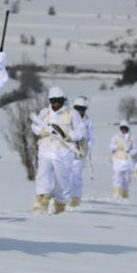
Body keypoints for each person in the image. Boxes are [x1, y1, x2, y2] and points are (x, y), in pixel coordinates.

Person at [30, 86, 85, 214]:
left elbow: (80, 130)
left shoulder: (72, 113)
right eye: (53, 100)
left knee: (62, 180)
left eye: (58, 100)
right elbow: (35, 126)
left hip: (63, 151)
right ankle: (41, 200)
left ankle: (60, 204)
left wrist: (70, 135)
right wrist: (41, 130)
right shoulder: (45, 113)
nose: (56, 103)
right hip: (46, 148)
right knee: (43, 174)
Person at [69, 96, 94, 207]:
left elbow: (91, 139)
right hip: (68, 153)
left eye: (82, 108)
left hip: (80, 154)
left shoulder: (88, 122)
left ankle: (75, 199)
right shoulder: (69, 119)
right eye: (78, 108)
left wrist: (85, 148)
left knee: (76, 177)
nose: (80, 111)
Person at [109, 120, 137, 199]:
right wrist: (117, 147)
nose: (123, 129)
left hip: (127, 160)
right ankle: (116, 194)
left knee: (126, 178)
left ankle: (125, 194)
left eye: (125, 128)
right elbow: (111, 146)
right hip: (117, 159)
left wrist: (130, 152)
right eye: (122, 128)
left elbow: (136, 149)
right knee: (117, 177)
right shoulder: (116, 137)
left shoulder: (132, 138)